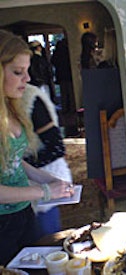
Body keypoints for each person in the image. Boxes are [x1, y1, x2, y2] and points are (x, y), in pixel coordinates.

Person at [0, 29, 74, 265]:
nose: (28, 79)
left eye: (27, 71)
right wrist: (45, 192)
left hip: (23, 212)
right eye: (18, 72)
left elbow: (13, 160)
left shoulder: (12, 108)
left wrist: (47, 179)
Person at [22, 83, 73, 239]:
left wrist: (17, 166)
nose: (26, 78)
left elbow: (56, 147)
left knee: (45, 243)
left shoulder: (30, 99)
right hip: (17, 193)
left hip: (41, 181)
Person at [51, 38, 75, 115]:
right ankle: (72, 109)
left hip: (61, 75)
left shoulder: (57, 52)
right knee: (71, 93)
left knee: (64, 94)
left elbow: (53, 61)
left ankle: (64, 109)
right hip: (69, 74)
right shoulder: (69, 51)